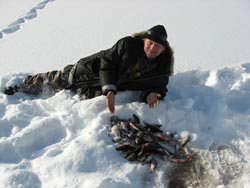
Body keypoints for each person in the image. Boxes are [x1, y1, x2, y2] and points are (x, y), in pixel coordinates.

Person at [3, 25, 174, 113]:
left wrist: (149, 95)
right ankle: (24, 86)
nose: (152, 48)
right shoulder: (128, 44)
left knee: (82, 98)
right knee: (61, 79)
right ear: (144, 40)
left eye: (157, 46)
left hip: (103, 87)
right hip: (90, 70)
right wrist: (110, 89)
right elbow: (107, 63)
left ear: (163, 49)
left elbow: (160, 88)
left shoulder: (161, 68)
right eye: (150, 43)